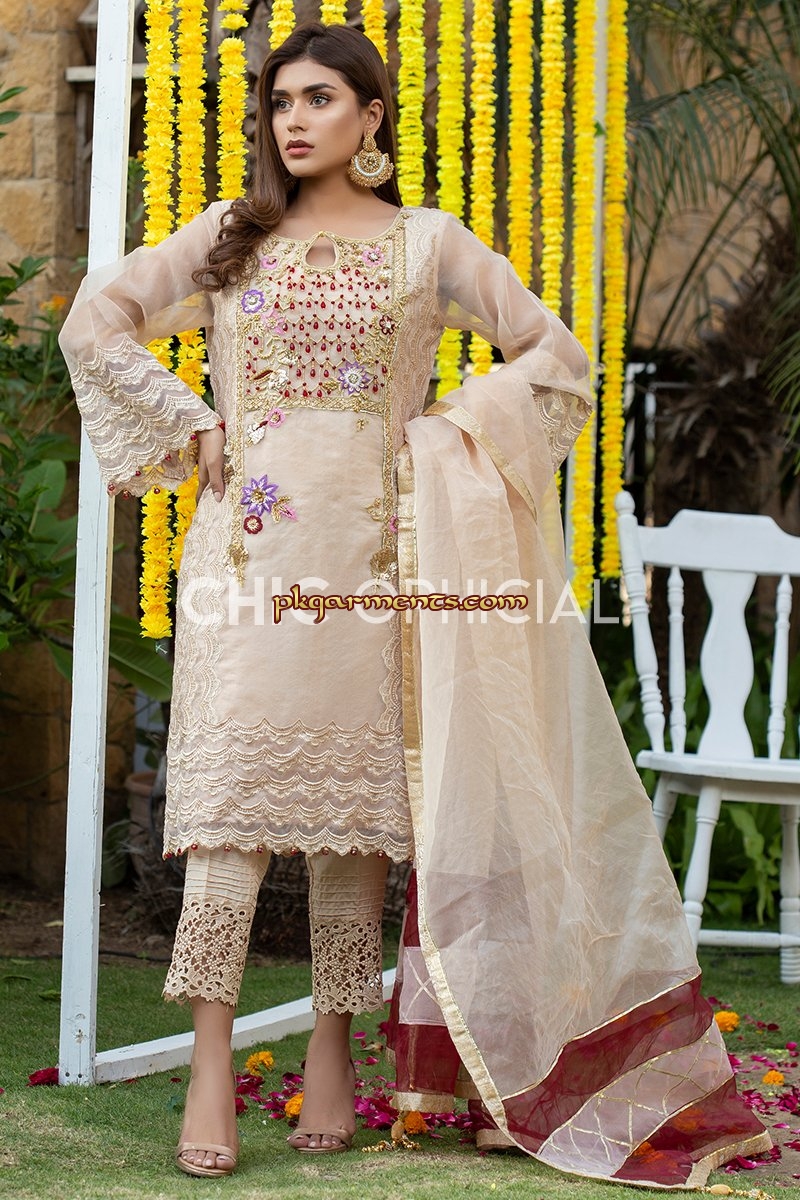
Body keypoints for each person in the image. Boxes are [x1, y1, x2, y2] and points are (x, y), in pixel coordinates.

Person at [59, 20, 769, 1189]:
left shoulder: (425, 245)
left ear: (370, 116)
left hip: (380, 561)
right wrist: (189, 420)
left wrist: (442, 439)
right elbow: (97, 317)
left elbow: (553, 357)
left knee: (358, 823)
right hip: (249, 562)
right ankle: (206, 1067)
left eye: (319, 99)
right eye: (279, 101)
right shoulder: (231, 239)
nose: (294, 120)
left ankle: (331, 1054)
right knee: (229, 810)